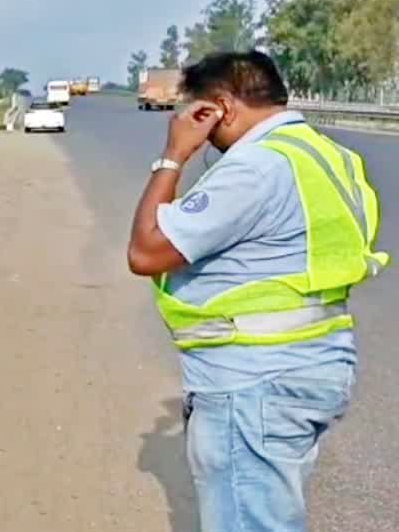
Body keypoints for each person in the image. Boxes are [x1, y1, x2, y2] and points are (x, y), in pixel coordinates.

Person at [126, 51, 387, 531]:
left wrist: (173, 156)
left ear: (220, 107)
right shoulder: (330, 158)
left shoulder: (255, 168)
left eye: (195, 111)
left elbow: (146, 252)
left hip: (253, 376)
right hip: (315, 363)